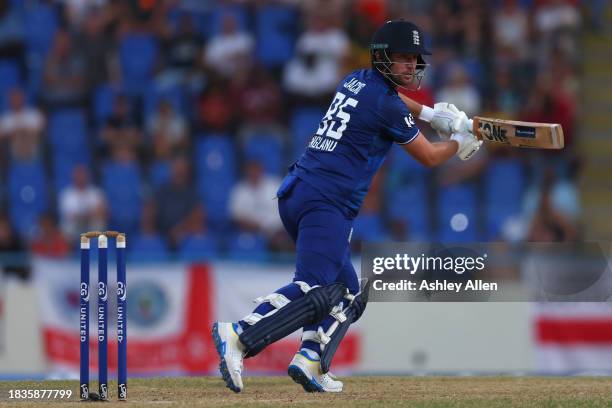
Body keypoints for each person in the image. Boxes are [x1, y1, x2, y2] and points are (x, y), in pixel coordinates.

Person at [212, 20, 482, 393]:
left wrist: (432, 115)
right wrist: (460, 141)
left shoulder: (356, 79)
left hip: (299, 191)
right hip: (327, 201)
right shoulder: (386, 105)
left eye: (414, 59)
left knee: (348, 293)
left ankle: (310, 360)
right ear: (383, 57)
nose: (412, 66)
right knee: (313, 286)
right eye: (404, 58)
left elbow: (394, 102)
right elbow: (432, 157)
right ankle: (238, 333)